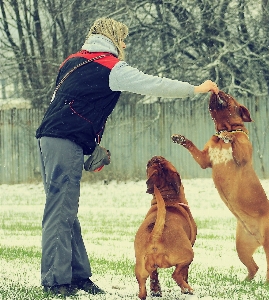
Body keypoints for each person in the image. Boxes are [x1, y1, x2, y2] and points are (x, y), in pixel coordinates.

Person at [35, 17, 219, 297]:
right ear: (110, 38)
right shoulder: (109, 65)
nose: (123, 45)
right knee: (60, 211)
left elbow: (65, 104)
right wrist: (195, 89)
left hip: (55, 139)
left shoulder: (72, 62)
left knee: (65, 210)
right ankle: (55, 282)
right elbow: (153, 84)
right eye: (122, 39)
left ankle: (77, 276)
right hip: (63, 140)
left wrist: (88, 145)